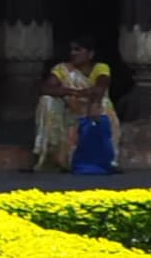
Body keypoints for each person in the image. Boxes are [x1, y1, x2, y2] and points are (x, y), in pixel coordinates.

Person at [37, 41, 116, 176]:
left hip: (93, 111)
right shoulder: (62, 70)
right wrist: (72, 92)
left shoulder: (100, 68)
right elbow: (45, 88)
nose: (73, 53)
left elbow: (101, 87)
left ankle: (108, 160)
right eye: (72, 50)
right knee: (46, 101)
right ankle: (52, 156)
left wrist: (94, 104)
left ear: (90, 54)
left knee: (104, 104)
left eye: (78, 49)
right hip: (69, 113)